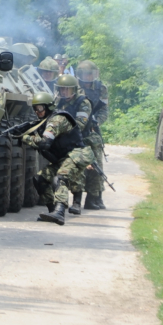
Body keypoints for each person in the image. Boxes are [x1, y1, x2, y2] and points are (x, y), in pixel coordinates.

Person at [22, 91, 94, 225]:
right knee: (40, 179)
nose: (37, 112)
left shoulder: (57, 119)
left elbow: (44, 143)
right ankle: (52, 211)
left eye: (40, 108)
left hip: (77, 154)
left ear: (48, 107)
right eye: (35, 109)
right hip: (64, 157)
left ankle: (60, 212)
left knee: (61, 177)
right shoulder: (43, 122)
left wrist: (26, 138)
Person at [54, 73, 92, 215]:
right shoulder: (58, 101)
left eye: (67, 89)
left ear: (74, 90)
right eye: (62, 89)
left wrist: (59, 127)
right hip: (61, 140)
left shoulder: (83, 102)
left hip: (78, 139)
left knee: (77, 171)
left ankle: (77, 202)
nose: (64, 92)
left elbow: (80, 125)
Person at [76, 60, 109, 210]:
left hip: (93, 129)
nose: (88, 77)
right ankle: (76, 200)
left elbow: (104, 110)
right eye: (85, 74)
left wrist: (96, 121)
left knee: (96, 165)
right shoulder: (74, 87)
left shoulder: (101, 88)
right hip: (76, 128)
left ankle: (94, 197)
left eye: (91, 74)